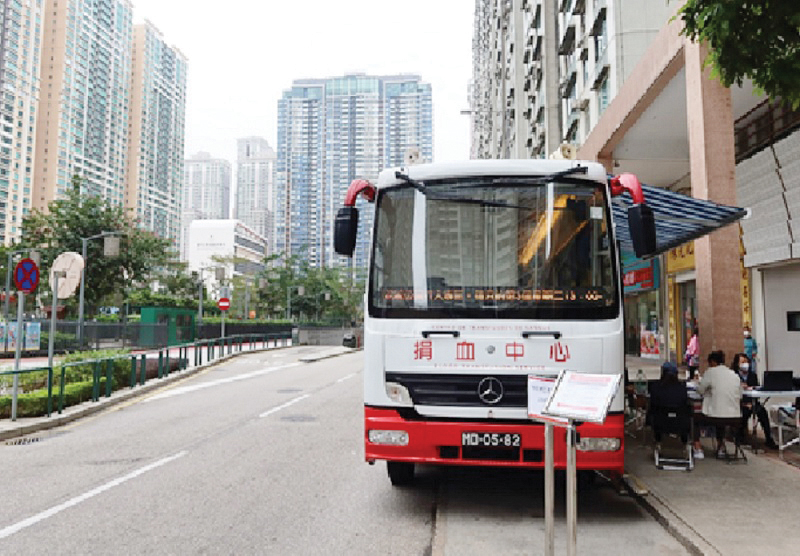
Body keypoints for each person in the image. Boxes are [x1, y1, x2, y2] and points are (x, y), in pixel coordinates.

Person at [692, 350, 742, 459]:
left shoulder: (710, 372)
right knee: (721, 419)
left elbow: (700, 390)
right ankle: (721, 447)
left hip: (714, 417)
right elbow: (740, 394)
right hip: (735, 418)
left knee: (694, 419)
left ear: (713, 362)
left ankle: (697, 447)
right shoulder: (734, 375)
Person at [731, 352, 778, 449]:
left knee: (762, 412)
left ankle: (769, 439)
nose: (745, 364)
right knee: (743, 414)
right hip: (739, 403)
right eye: (742, 362)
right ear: (737, 364)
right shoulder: (733, 376)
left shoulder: (752, 375)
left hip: (753, 402)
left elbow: (756, 389)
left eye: (746, 361)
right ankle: (739, 437)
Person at [649, 361, 690, 445]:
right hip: (681, 423)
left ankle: (658, 440)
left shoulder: (656, 387)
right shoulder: (682, 388)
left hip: (659, 423)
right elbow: (685, 401)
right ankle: (685, 441)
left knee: (654, 411)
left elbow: (652, 403)